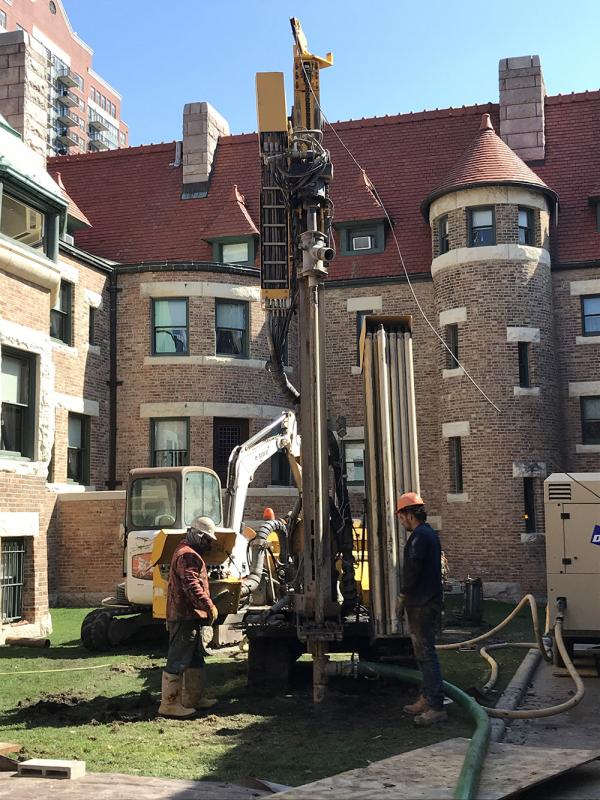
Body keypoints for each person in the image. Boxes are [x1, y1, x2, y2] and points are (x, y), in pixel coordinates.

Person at [158, 516, 219, 718]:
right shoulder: (187, 555)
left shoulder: (185, 551)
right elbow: (192, 586)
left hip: (188, 615)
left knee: (194, 657)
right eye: (207, 540)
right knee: (177, 658)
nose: (209, 544)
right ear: (198, 535)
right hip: (184, 615)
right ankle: (169, 704)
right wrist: (209, 605)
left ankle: (194, 699)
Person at [395, 492, 447, 727]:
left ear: (408, 515)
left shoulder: (419, 537)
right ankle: (426, 697)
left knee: (426, 654)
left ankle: (435, 706)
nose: (401, 522)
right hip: (426, 601)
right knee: (422, 653)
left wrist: (403, 594)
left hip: (422, 603)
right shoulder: (427, 534)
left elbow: (413, 569)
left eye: (401, 517)